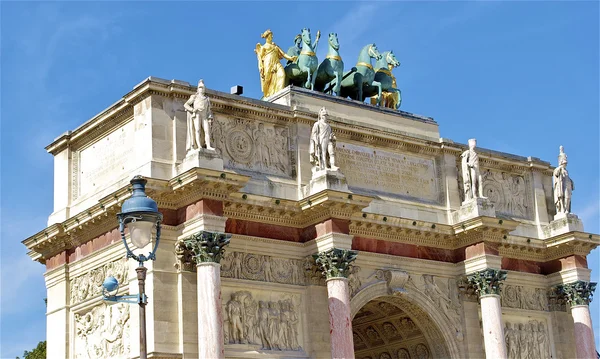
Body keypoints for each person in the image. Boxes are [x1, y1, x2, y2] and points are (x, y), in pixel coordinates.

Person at [255, 29, 297, 98]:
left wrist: (291, 58)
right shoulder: (264, 47)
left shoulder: (275, 46)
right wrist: (261, 67)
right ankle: (266, 95)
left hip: (276, 63)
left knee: (282, 75)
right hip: (268, 64)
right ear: (267, 36)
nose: (272, 37)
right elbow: (260, 58)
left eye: (272, 35)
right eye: (271, 35)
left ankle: (279, 94)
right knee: (267, 80)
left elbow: (283, 54)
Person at [184, 79, 214, 152]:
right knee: (197, 130)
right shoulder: (194, 97)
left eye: (203, 88)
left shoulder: (207, 99)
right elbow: (186, 104)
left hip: (204, 116)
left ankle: (208, 146)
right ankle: (198, 146)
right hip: (197, 114)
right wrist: (192, 110)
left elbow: (209, 110)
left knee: (207, 131)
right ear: (198, 89)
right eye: (200, 87)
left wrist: (210, 116)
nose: (201, 89)